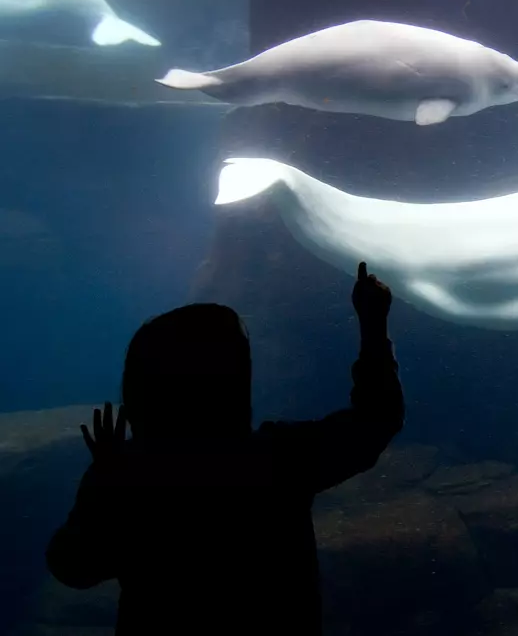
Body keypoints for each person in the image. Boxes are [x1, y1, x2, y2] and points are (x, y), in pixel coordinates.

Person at [46, 261, 404, 636]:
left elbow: (72, 567)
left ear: (137, 393)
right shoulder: (275, 459)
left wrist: (106, 479)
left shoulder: (132, 479)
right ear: (238, 384)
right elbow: (376, 421)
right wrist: (373, 325)